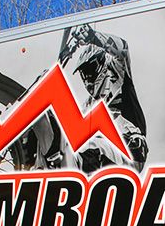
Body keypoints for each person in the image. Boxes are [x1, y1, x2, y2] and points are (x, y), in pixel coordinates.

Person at [61, 24, 148, 171]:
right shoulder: (89, 104)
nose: (87, 80)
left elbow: (123, 49)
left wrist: (93, 37)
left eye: (89, 71)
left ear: (101, 64)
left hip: (131, 148)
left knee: (90, 146)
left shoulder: (117, 76)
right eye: (83, 75)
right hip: (110, 154)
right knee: (70, 148)